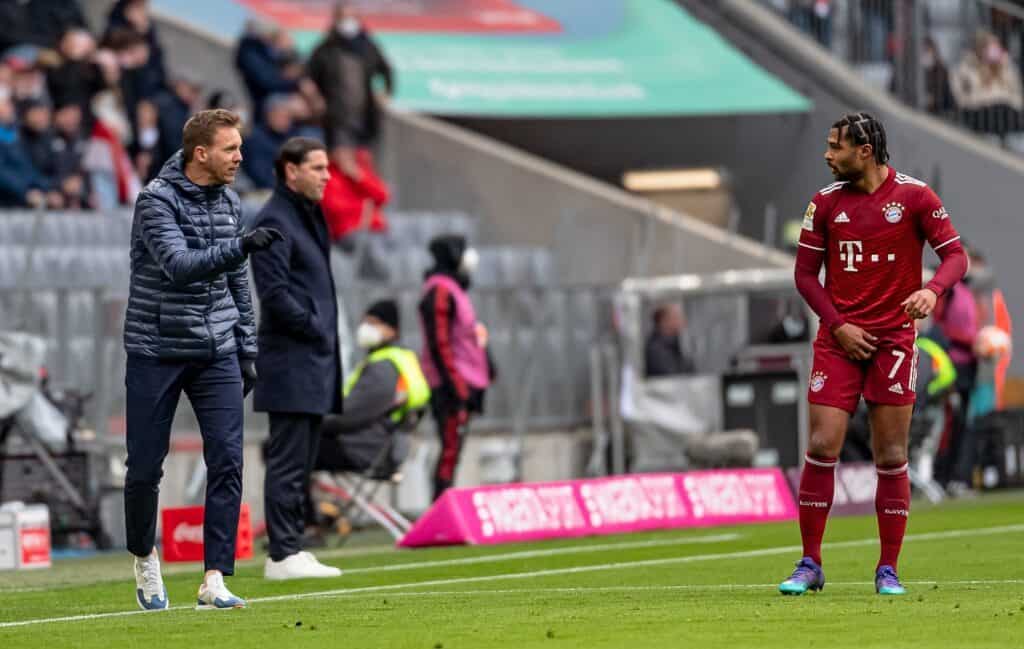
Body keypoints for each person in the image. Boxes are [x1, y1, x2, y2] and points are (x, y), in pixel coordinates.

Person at [781, 112, 968, 596]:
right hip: (838, 342)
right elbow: (804, 276)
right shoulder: (823, 204)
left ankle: (888, 568)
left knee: (890, 455)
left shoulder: (915, 197)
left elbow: (955, 256)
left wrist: (933, 291)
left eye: (835, 147)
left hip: (893, 343)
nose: (827, 155)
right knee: (823, 446)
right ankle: (810, 562)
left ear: (864, 151)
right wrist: (839, 326)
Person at [122, 109, 284, 610]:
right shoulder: (155, 202)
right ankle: (145, 558)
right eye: (231, 149)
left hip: (216, 350)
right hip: (156, 349)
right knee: (146, 467)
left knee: (229, 461)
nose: (240, 157)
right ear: (201, 154)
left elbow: (236, 280)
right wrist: (240, 247)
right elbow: (178, 267)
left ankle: (214, 578)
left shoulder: (231, 200)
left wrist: (247, 347)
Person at [249, 137, 342, 580]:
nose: (327, 176)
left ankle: (294, 547)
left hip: (311, 359)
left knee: (302, 459)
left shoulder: (304, 215)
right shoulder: (274, 219)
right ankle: (281, 554)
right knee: (287, 460)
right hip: (290, 360)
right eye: (318, 168)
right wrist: (314, 325)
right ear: (291, 171)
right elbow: (273, 291)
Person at [317, 299, 429, 481]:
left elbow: (349, 415)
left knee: (287, 447)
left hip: (363, 448)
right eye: (365, 322)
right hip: (384, 446)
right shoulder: (402, 359)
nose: (365, 328)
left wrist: (316, 423)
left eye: (374, 323)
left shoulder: (383, 367)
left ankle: (301, 509)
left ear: (392, 330)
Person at [419, 235, 491, 500]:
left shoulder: (454, 289)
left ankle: (443, 505)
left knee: (454, 448)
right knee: (449, 449)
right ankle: (441, 508)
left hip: (463, 381)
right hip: (450, 385)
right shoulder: (439, 291)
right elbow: (440, 343)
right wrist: (456, 387)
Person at [307, 1, 392, 180]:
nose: (348, 22)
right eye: (344, 18)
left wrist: (385, 94)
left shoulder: (368, 46)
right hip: (337, 118)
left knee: (366, 166)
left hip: (366, 118)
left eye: (352, 17)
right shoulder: (326, 49)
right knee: (343, 166)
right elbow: (308, 76)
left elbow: (386, 71)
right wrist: (314, 97)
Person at [241, 94, 294, 190]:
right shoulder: (255, 139)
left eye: (288, 117)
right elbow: (260, 175)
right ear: (269, 114)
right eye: (281, 115)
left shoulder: (290, 137)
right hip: (259, 191)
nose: (285, 120)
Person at [644, 303, 695, 378]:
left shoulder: (675, 343)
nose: (683, 321)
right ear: (664, 321)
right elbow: (672, 375)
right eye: (676, 317)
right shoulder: (656, 348)